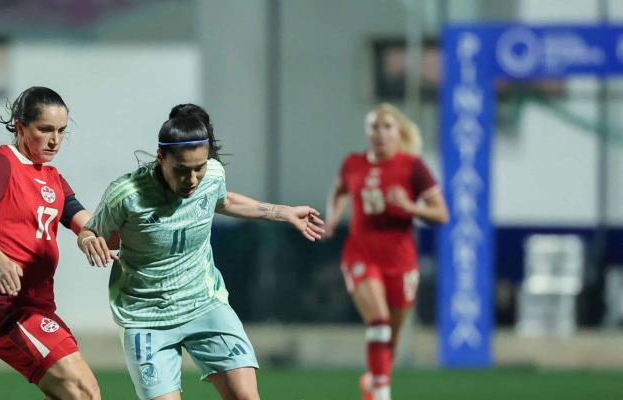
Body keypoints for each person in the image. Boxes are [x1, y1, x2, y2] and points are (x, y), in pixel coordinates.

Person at [77, 104, 327, 400]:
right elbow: (90, 230)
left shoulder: (212, 176)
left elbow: (222, 199)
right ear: (161, 156)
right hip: (145, 317)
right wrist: (89, 239)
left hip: (204, 304)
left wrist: (282, 211)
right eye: (182, 170)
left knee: (246, 397)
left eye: (200, 167)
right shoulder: (127, 194)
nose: (193, 179)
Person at [0, 86, 105, 399]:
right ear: (20, 126)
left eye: (62, 131)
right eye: (45, 129)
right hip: (8, 309)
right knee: (84, 391)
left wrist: (90, 236)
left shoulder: (52, 177)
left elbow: (86, 222)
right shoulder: (1, 163)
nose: (55, 140)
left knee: (73, 394)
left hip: (40, 306)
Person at [321, 103, 448, 400]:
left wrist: (409, 206)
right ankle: (381, 394)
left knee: (390, 333)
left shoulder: (412, 166)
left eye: (386, 127)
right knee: (377, 320)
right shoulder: (353, 163)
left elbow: (441, 214)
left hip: (401, 258)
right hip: (361, 253)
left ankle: (372, 382)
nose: (379, 133)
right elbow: (339, 189)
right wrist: (333, 217)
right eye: (373, 127)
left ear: (398, 131)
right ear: (366, 131)